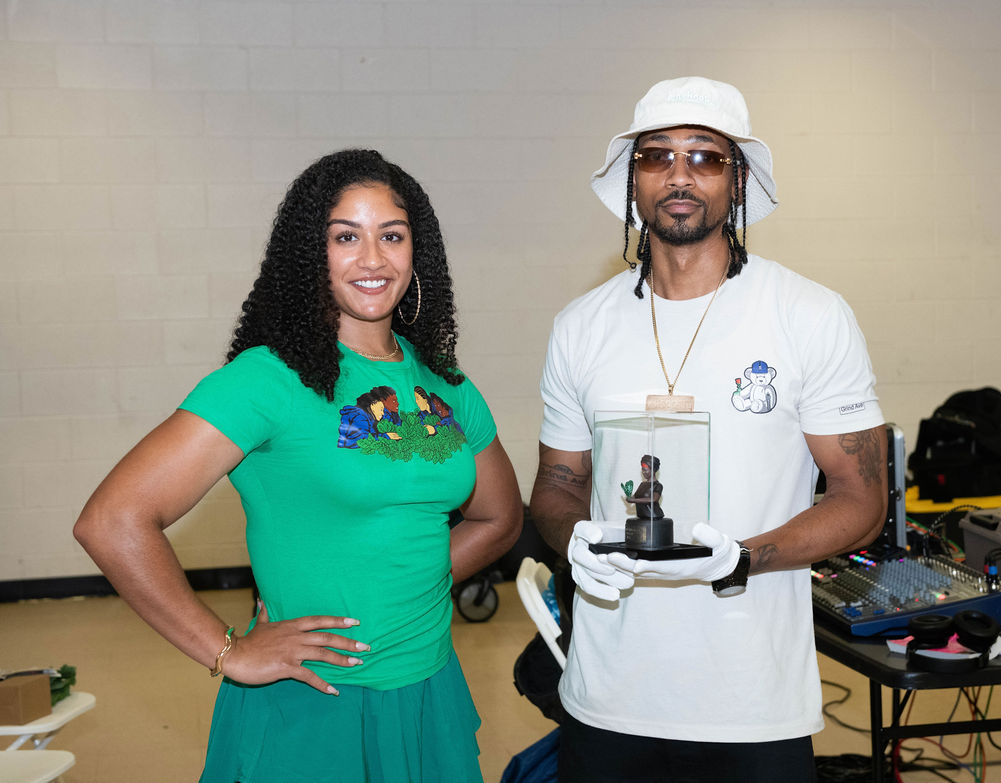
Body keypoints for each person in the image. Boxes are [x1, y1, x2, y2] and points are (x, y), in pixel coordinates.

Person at [74, 149, 522, 783]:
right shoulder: (267, 380)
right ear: (311, 254)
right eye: (346, 237)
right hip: (313, 701)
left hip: (429, 689)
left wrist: (408, 585)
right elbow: (113, 520)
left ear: (416, 252)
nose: (373, 258)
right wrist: (227, 651)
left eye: (392, 236)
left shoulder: (447, 384)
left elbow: (498, 519)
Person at [529, 77, 887, 782]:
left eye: (705, 157)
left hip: (752, 704)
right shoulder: (580, 326)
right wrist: (574, 538)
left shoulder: (809, 315)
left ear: (739, 180)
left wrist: (742, 558)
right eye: (656, 155)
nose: (679, 175)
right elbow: (556, 484)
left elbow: (862, 499)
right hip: (607, 699)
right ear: (632, 179)